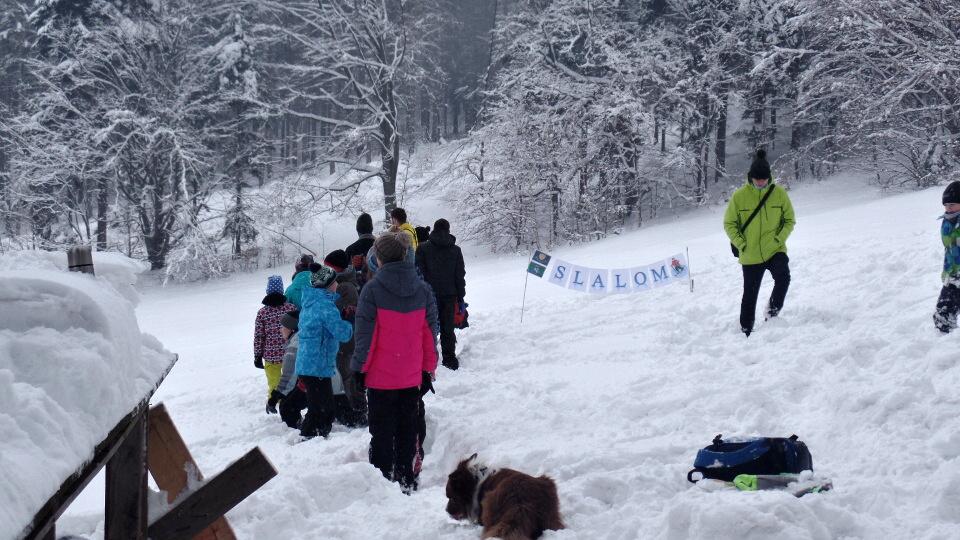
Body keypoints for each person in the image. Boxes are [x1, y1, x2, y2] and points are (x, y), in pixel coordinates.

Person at [351, 231, 438, 493]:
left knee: (381, 432)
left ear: (378, 258)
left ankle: (381, 483)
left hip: (380, 379)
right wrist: (428, 369)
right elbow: (429, 334)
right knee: (407, 430)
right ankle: (406, 477)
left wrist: (358, 369)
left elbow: (365, 337)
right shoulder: (423, 289)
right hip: (410, 378)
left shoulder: (372, 290)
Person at [723, 149, 796, 337]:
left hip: (775, 249)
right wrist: (741, 243)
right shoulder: (739, 197)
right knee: (750, 294)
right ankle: (746, 330)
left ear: (769, 177)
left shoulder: (778, 193)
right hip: (750, 253)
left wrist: (778, 239)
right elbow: (729, 223)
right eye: (758, 180)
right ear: (751, 178)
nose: (761, 183)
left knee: (784, 277)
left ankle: (772, 312)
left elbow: (789, 220)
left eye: (764, 179)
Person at [295, 265, 353, 439]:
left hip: (309, 362)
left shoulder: (310, 302)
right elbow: (342, 333)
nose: (337, 284)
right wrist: (349, 322)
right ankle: (310, 437)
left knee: (322, 406)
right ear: (328, 285)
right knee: (322, 408)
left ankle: (315, 436)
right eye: (334, 281)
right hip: (317, 364)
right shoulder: (325, 306)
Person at [416, 218, 466, 370]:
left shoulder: (423, 248)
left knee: (428, 327)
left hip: (428, 295)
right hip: (450, 295)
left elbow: (419, 274)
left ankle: (427, 359)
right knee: (447, 328)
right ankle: (449, 359)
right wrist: (461, 297)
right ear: (448, 230)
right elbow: (460, 275)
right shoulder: (455, 250)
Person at [324, 249, 367, 426]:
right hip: (342, 337)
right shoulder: (339, 283)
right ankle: (347, 408)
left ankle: (356, 409)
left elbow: (338, 311)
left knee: (347, 373)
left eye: (328, 268)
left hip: (347, 338)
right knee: (342, 372)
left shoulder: (345, 287)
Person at [254, 275, 296, 401]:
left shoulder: (262, 312)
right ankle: (290, 404)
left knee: (274, 383)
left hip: (271, 356)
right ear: (282, 290)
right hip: (290, 353)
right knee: (290, 382)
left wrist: (257, 355)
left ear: (267, 290)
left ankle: (275, 403)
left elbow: (259, 336)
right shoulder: (291, 308)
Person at [269, 310, 308, 429]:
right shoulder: (301, 337)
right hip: (320, 381)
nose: (280, 330)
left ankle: (296, 429)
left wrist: (275, 396)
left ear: (292, 329)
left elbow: (288, 376)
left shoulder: (294, 346)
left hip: (313, 383)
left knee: (286, 406)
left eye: (283, 327)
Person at [934, 181, 960, 333]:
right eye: (946, 205)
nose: (948, 208)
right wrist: (947, 271)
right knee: (943, 315)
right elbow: (949, 249)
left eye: (953, 204)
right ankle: (943, 345)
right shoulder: (947, 221)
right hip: (953, 274)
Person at [346, 213, 377, 289]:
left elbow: (346, 276)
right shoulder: (382, 247)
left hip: (358, 293)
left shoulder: (350, 250)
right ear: (371, 228)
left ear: (357, 230)